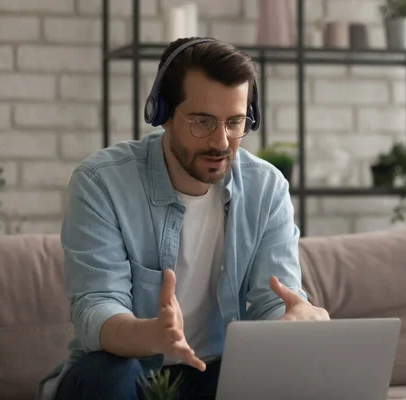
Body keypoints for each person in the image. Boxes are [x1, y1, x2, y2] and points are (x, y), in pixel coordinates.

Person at [35, 37, 329, 400]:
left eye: (235, 122)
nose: (221, 142)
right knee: (111, 373)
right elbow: (96, 306)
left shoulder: (267, 188)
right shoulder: (102, 182)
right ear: (163, 113)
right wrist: (151, 334)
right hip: (128, 369)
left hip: (215, 371)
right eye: (202, 121)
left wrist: (294, 323)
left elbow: (273, 301)